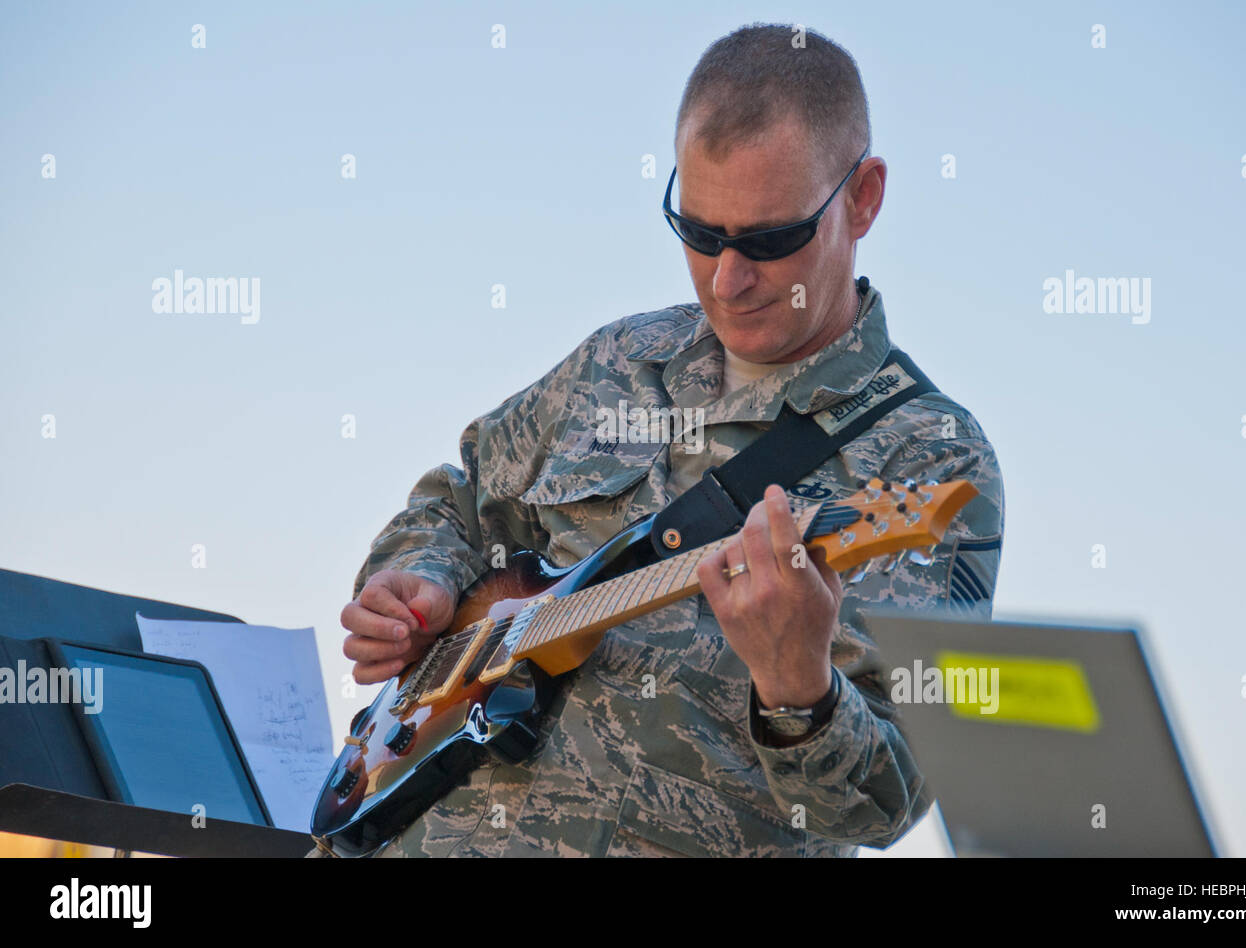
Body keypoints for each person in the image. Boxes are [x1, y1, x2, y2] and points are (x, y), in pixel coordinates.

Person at [336, 23, 1004, 857]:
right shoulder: (619, 359)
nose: (726, 280)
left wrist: (802, 689)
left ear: (863, 198)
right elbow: (461, 498)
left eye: (769, 240)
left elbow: (885, 802)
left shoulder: (931, 456)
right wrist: (415, 583)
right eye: (697, 231)